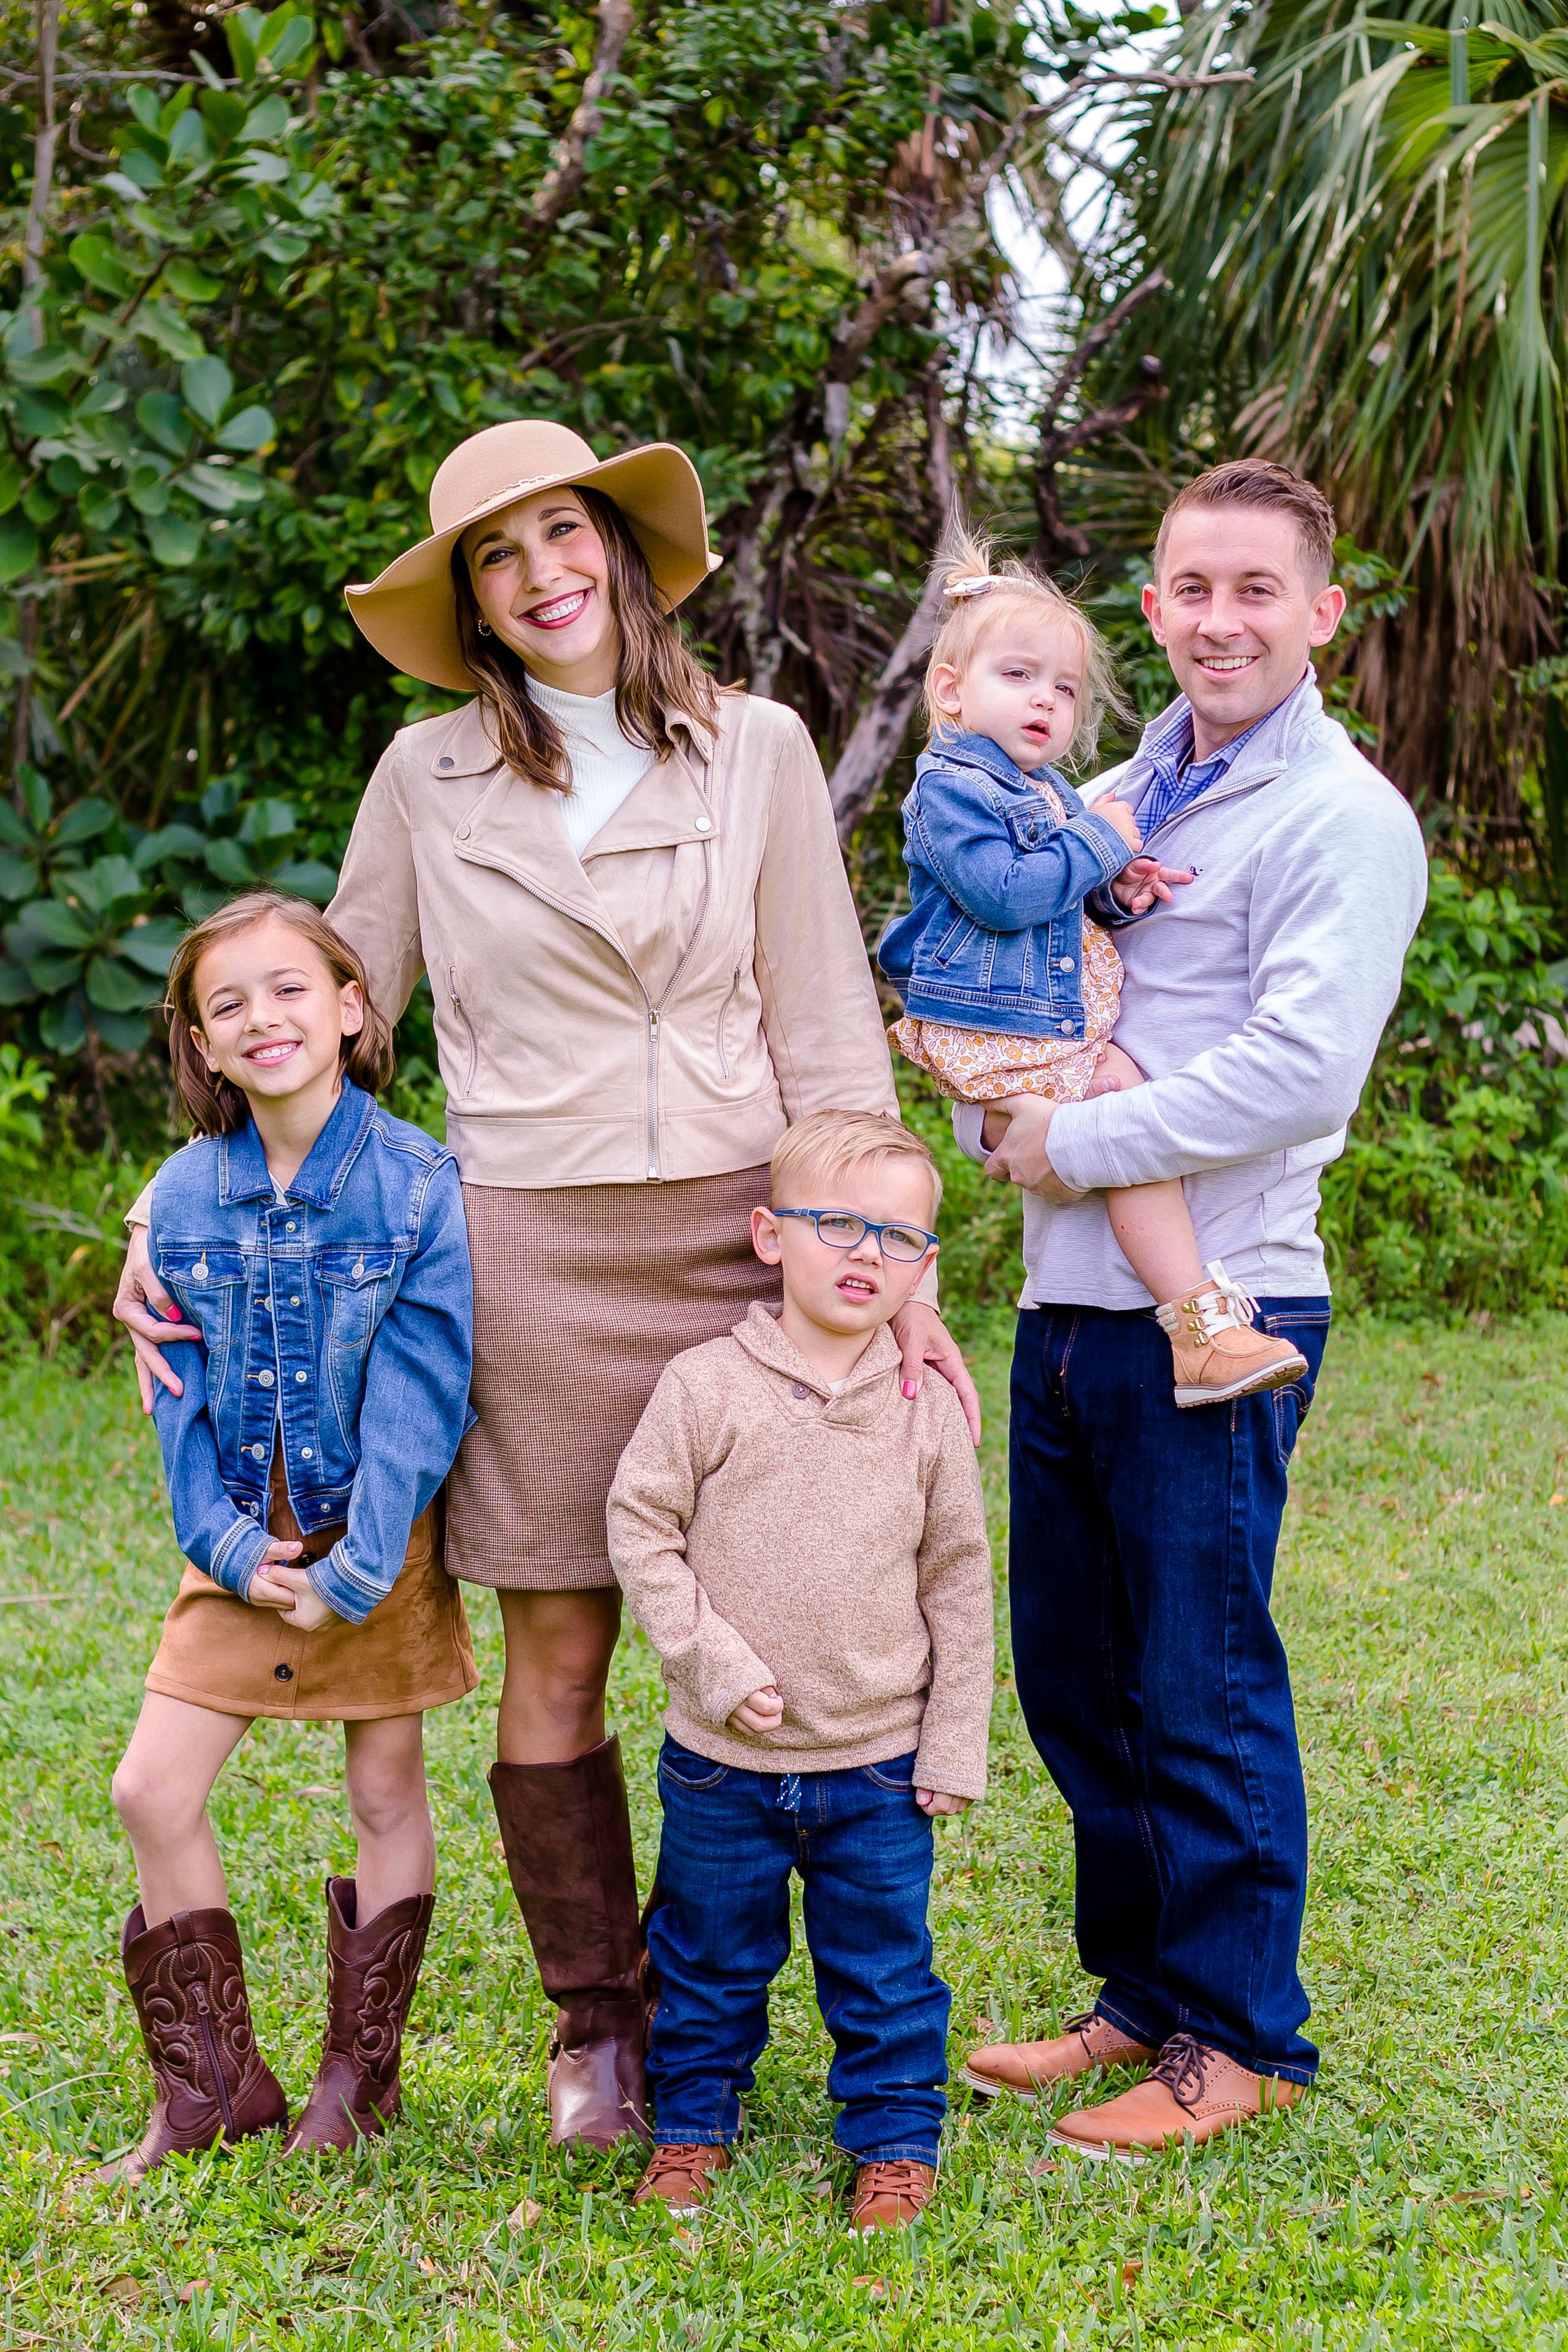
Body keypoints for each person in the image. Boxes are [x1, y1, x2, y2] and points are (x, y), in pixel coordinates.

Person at [112, 419, 977, 2157]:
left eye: (562, 533)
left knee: (796, 1621)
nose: (541, 575)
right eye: (496, 557)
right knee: (562, 1647)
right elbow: (314, 1019)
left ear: (624, 550)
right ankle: (604, 2030)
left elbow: (821, 1024)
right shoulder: (422, 780)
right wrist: (168, 1207)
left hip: (749, 1236)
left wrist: (886, 1260)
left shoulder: (764, 750)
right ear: (473, 604)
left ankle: (814, 2000)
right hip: (525, 1243)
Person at [959, 461, 1428, 2155]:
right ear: (1147, 607)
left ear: (1319, 613)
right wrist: (991, 1098)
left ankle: (1237, 2036)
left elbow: (1299, 1077)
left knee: (1199, 1671)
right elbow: (1007, 991)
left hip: (1222, 1311)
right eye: (1186, 588)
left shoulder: (1341, 819)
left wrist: (1066, 1132)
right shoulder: (1100, 789)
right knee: (1077, 1676)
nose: (1216, 619)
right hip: (1067, 1305)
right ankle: (1138, 1999)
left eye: (1253, 589)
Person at [103, 893, 475, 2181]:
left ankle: (354, 2085)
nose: (262, 1018)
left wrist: (358, 1568)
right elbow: (176, 1403)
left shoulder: (418, 1183)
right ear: (201, 1045)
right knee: (149, 1787)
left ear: (351, 1007)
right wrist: (219, 1542)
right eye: (227, 1004)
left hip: (373, 1544)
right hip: (237, 1548)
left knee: (383, 1791)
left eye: (290, 989)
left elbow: (427, 1395)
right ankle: (214, 2091)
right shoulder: (183, 1198)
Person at [606, 1111, 993, 2231]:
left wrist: (954, 1739)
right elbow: (642, 1528)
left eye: (899, 1237)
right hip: (723, 1764)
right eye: (838, 1225)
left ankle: (894, 2142)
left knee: (883, 1971)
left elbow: (960, 1585)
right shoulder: (704, 1385)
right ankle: (690, 2126)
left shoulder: (924, 1411)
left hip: (876, 1768)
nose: (867, 1253)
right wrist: (712, 1662)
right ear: (773, 1236)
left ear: (924, 1266)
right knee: (707, 1959)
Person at [880, 529, 1309, 1407]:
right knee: (1121, 1113)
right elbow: (1003, 895)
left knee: (1119, 1103)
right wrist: (1100, 839)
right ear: (951, 692)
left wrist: (1115, 887)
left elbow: (1054, 904)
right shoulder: (954, 787)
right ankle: (1198, 1324)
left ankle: (1199, 1325)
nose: (1046, 701)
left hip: (1032, 1018)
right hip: (995, 1020)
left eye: (1064, 689)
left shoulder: (1042, 787)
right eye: (1018, 676)